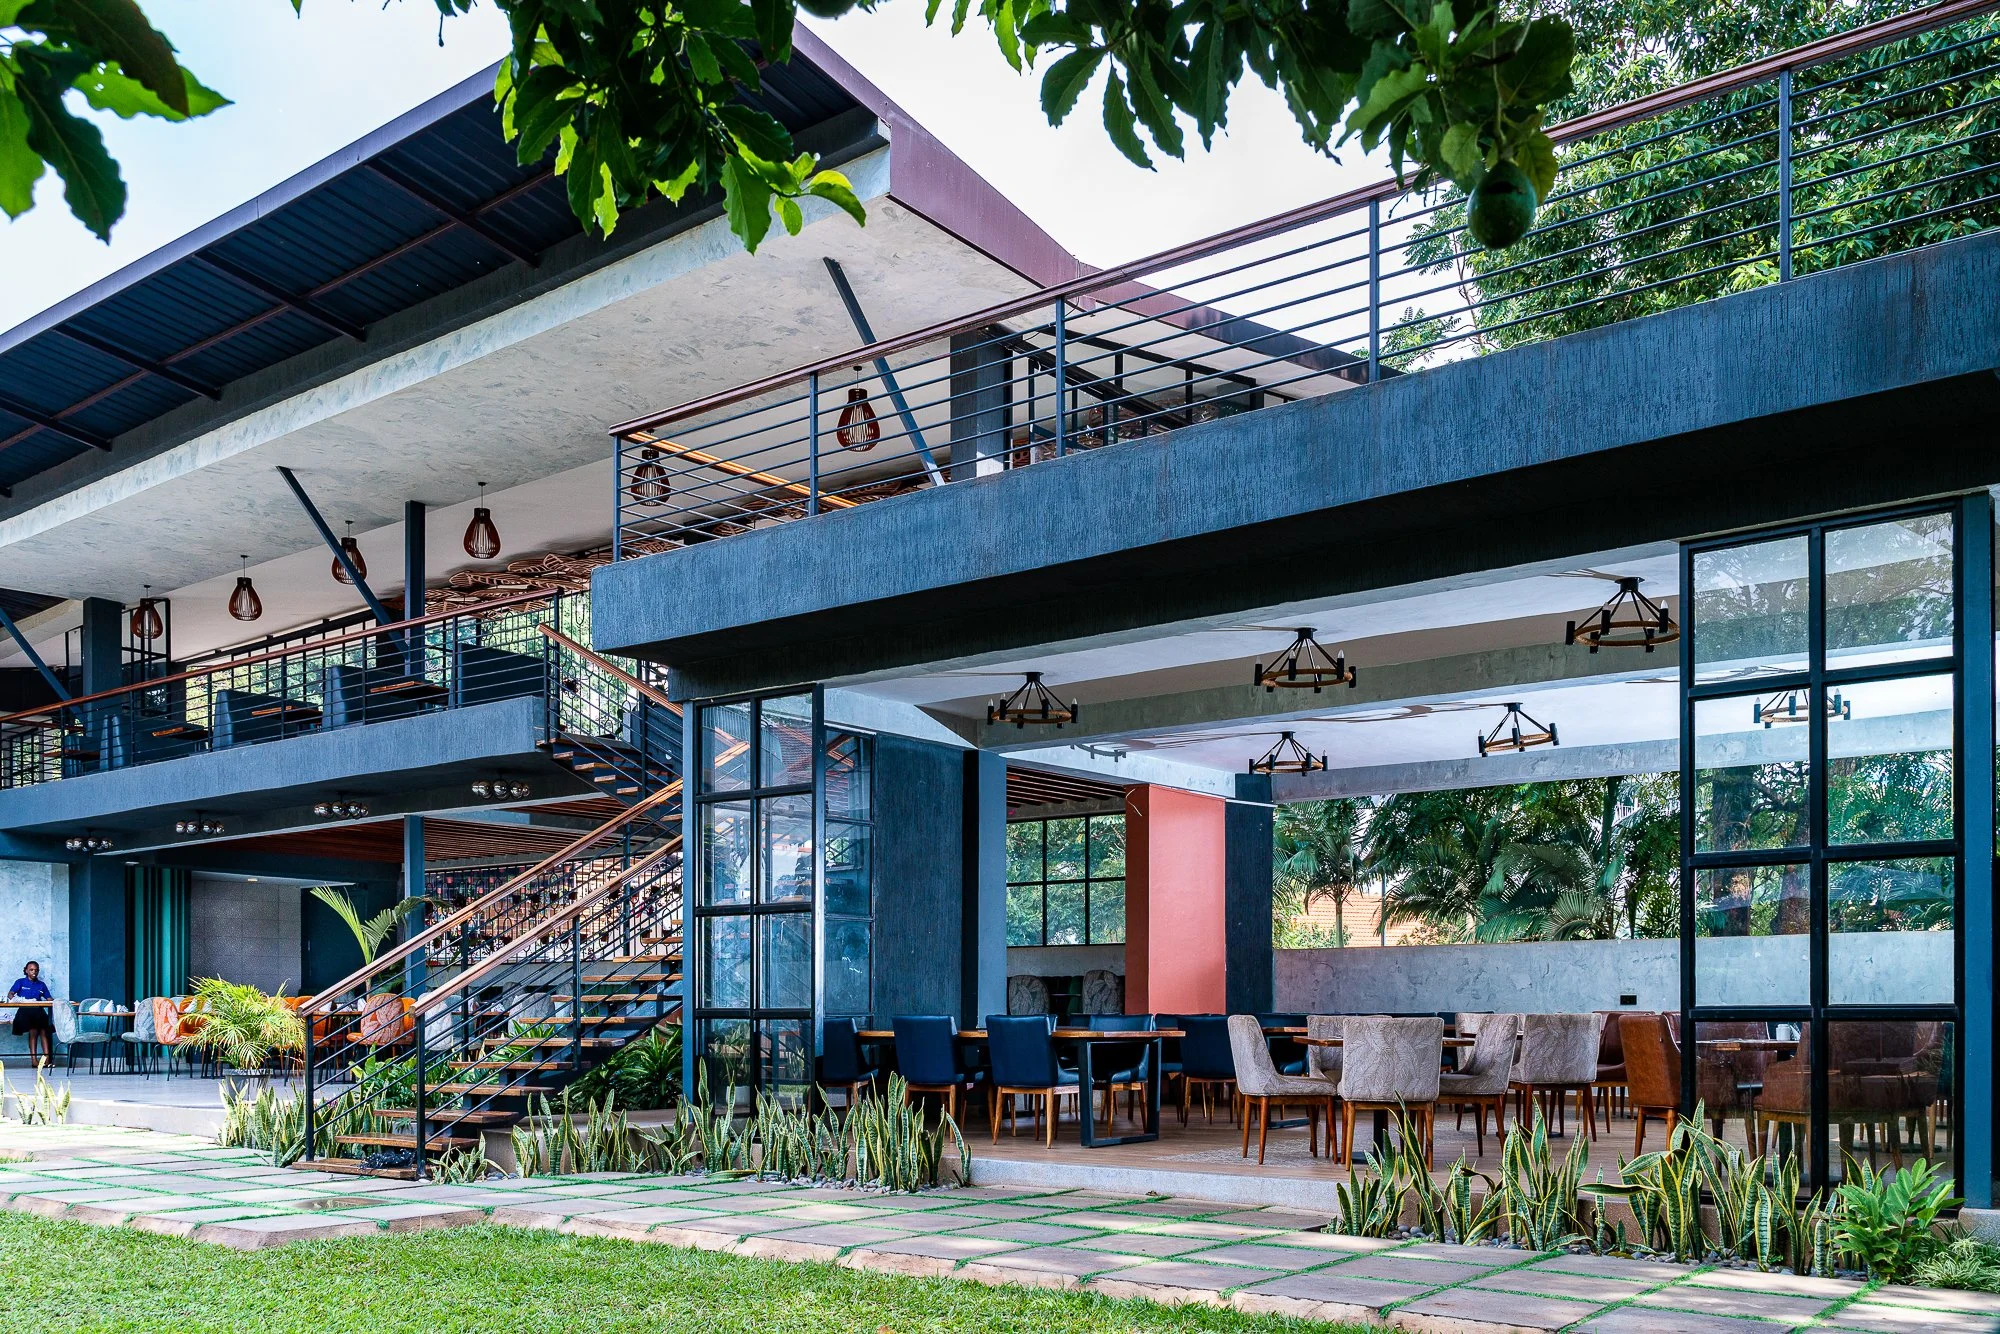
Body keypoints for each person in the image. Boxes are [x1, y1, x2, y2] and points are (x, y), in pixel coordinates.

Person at [7, 961, 55, 1068]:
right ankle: (34, 1060)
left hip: (38, 1011)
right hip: (25, 1012)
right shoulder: (20, 982)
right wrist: (14, 999)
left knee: (44, 1031)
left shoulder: (41, 985)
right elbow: (10, 994)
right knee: (33, 1031)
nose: (34, 972)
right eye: (31, 970)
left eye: (36, 970)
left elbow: (49, 998)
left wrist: (56, 1001)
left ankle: (47, 1060)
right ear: (26, 971)